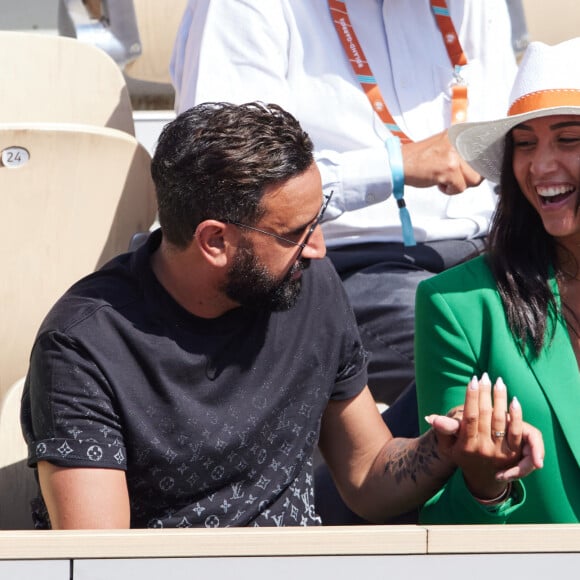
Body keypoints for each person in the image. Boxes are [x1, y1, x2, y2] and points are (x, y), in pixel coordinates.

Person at [20, 101, 542, 529]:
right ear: (215, 241)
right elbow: (102, 562)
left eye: (317, 220)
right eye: (293, 233)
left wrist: (446, 447)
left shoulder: (308, 287)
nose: (317, 247)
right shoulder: (83, 345)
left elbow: (366, 478)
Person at [170, 0, 518, 419]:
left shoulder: (472, 7)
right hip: (343, 263)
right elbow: (224, 185)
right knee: (500, 368)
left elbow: (517, 139)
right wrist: (394, 164)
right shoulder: (246, 8)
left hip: (494, 248)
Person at [415, 37, 580, 524]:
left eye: (568, 139)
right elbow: (440, 525)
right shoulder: (456, 305)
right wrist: (485, 484)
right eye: (524, 144)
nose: (541, 165)